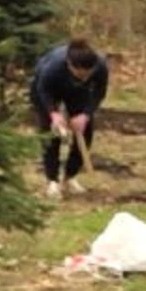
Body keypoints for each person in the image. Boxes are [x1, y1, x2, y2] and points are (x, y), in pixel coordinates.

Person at [30, 37, 108, 199]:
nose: (84, 78)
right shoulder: (52, 68)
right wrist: (53, 114)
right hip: (47, 91)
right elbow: (43, 91)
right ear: (69, 65)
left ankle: (70, 176)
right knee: (51, 134)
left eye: (88, 74)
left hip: (78, 92)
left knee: (85, 132)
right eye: (80, 74)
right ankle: (52, 180)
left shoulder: (100, 66)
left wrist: (85, 115)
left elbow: (99, 93)